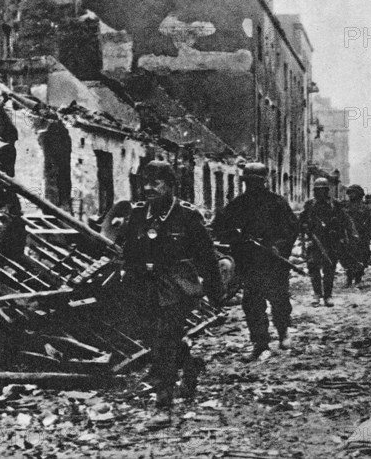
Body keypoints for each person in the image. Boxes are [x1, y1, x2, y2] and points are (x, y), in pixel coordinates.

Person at [121, 160, 224, 429]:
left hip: (177, 286)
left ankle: (162, 406)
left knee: (164, 341)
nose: (148, 188)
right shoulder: (138, 214)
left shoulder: (187, 216)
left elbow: (207, 258)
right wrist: (129, 287)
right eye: (145, 182)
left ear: (170, 185)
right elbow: (129, 254)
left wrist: (215, 293)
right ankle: (189, 365)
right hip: (146, 286)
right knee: (156, 337)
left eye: (156, 183)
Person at [211, 162, 298, 361]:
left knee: (279, 299)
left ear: (264, 182)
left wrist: (279, 245)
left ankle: (283, 331)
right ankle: (260, 343)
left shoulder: (277, 203)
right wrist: (236, 238)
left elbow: (292, 229)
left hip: (274, 262)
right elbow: (219, 227)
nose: (252, 186)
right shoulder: (239, 204)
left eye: (256, 182)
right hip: (250, 262)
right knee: (252, 303)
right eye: (248, 182)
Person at [299, 178, 357, 307]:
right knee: (313, 267)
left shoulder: (334, 205)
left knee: (329, 268)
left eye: (322, 190)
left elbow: (345, 221)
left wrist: (345, 236)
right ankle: (316, 294)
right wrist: (303, 227)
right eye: (317, 190)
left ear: (326, 191)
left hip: (331, 242)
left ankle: (328, 295)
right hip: (315, 241)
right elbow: (301, 220)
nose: (319, 193)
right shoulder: (310, 205)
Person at [344, 185, 371, 285]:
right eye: (349, 193)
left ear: (359, 194)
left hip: (362, 235)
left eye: (353, 193)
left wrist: (368, 236)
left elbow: (369, 223)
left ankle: (358, 277)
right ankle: (349, 277)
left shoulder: (365, 207)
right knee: (348, 256)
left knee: (361, 256)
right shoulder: (345, 206)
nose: (350, 195)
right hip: (348, 236)